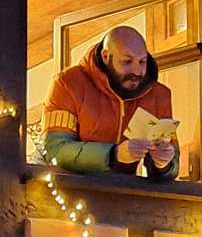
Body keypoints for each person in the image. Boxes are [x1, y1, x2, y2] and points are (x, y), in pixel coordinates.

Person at [42, 26, 179, 180]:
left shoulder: (159, 95)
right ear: (106, 56)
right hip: (72, 194)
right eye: (126, 61)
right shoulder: (68, 84)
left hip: (131, 197)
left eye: (142, 61)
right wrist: (113, 154)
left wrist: (164, 164)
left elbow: (172, 166)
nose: (137, 71)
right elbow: (54, 151)